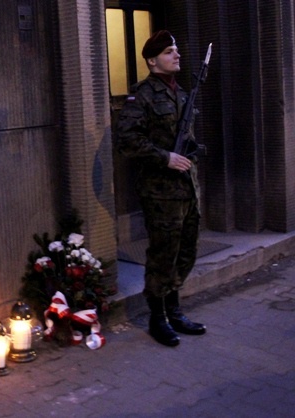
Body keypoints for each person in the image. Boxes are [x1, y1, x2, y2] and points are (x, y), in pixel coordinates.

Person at [116, 30, 206, 347]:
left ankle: (175, 309)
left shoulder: (181, 94)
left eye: (177, 49)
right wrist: (164, 157)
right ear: (153, 60)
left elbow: (184, 138)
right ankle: (158, 317)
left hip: (187, 190)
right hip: (160, 193)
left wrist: (192, 149)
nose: (177, 55)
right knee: (162, 256)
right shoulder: (140, 96)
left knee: (187, 251)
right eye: (169, 51)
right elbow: (127, 142)